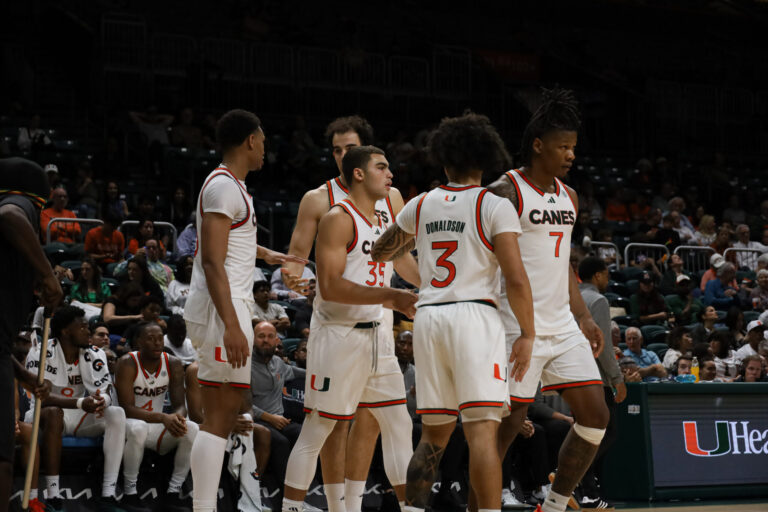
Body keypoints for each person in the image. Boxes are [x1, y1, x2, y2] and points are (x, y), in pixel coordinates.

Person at [372, 111, 535, 512]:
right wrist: (528, 335)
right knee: (482, 434)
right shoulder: (494, 205)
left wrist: (420, 280)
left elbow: (380, 250)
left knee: (433, 436)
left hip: (428, 319)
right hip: (474, 318)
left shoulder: (421, 203)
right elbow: (515, 278)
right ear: (484, 160)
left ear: (444, 159)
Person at [483, 89, 607, 512]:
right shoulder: (505, 189)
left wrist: (584, 318)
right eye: (563, 147)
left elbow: (563, 265)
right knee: (507, 427)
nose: (571, 155)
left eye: (574, 147)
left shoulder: (569, 197)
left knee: (596, 416)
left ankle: (553, 505)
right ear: (538, 145)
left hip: (562, 326)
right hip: (518, 327)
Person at [280, 115, 411, 509]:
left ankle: (387, 505)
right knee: (326, 426)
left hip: (380, 327)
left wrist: (435, 288)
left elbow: (402, 257)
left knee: (390, 423)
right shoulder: (322, 202)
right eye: (336, 150)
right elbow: (295, 261)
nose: (340, 156)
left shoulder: (391, 199)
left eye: (347, 148)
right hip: (338, 326)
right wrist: (296, 277)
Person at [182, 109, 303, 512]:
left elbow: (229, 244)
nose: (266, 150)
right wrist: (233, 326)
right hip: (222, 308)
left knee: (229, 405)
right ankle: (203, 506)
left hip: (228, 304)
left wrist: (266, 253)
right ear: (250, 140)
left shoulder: (233, 187)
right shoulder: (222, 186)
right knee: (218, 415)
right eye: (264, 142)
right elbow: (213, 261)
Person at [0, 157, 60, 511]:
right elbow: (9, 216)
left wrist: (21, 374)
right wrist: (48, 275)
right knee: (2, 455)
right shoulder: (18, 203)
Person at [25, 306, 126, 510]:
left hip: (81, 413)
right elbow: (41, 398)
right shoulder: (40, 351)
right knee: (54, 413)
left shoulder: (95, 354)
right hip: (42, 416)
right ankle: (53, 495)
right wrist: (80, 403)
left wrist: (102, 401)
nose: (88, 332)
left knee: (116, 413)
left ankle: (107, 493)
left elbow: (105, 387)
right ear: (65, 331)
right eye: (82, 327)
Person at [115, 321, 198, 508]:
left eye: (160, 338)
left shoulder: (173, 363)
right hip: (127, 425)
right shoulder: (127, 362)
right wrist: (162, 418)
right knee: (138, 427)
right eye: (150, 339)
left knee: (191, 428)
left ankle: (174, 492)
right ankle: (130, 492)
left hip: (154, 426)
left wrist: (178, 418)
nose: (157, 343)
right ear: (138, 342)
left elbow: (179, 405)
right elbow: (127, 408)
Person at [576, 257, 625, 509]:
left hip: (570, 375)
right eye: (606, 274)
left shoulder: (571, 299)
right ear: (597, 276)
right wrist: (617, 378)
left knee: (584, 433)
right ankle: (576, 477)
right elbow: (602, 345)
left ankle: (582, 487)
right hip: (595, 377)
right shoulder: (598, 300)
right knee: (606, 432)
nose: (608, 279)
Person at [251, 321, 305, 510]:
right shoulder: (244, 365)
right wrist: (268, 417)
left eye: (270, 336)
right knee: (280, 442)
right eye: (261, 336)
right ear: (253, 339)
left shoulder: (278, 363)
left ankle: (304, 492)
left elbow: (300, 373)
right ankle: (287, 500)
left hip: (279, 420)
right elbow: (241, 404)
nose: (266, 341)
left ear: (276, 340)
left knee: (304, 434)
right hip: (255, 421)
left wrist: (324, 375)